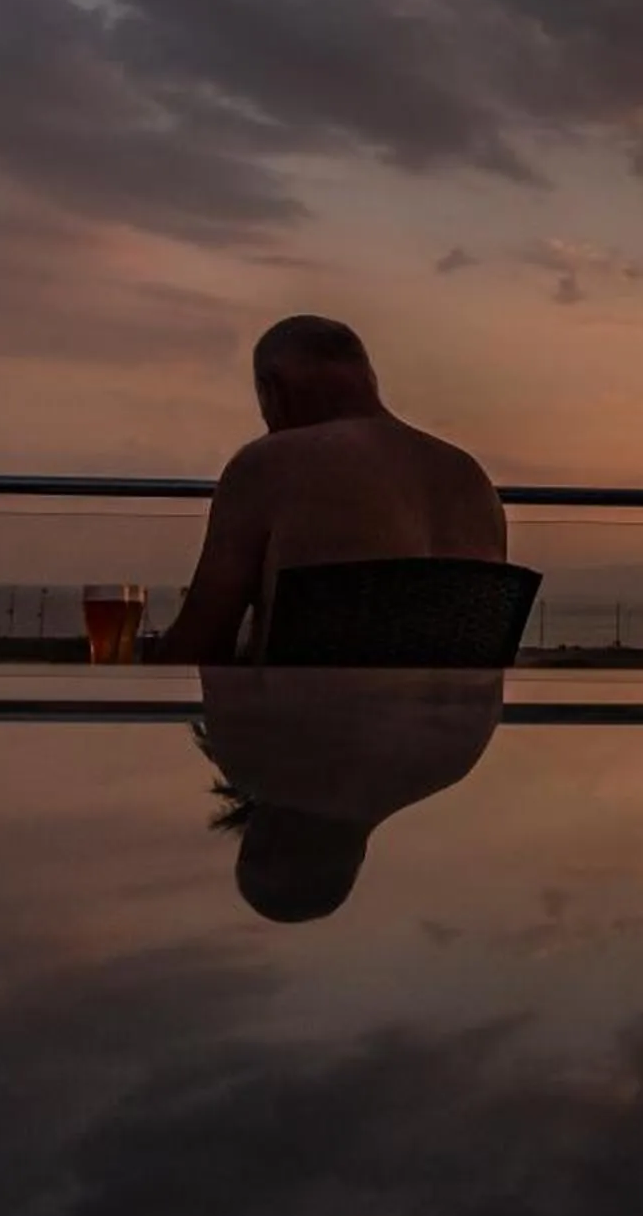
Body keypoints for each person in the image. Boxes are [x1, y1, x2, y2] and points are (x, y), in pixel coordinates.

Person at [160, 316, 507, 664]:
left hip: (309, 717)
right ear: (369, 379)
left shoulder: (269, 465)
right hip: (455, 718)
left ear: (272, 390)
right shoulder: (471, 478)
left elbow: (198, 647)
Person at [194, 665, 504, 921]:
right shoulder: (251, 763)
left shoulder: (455, 757)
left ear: (357, 856)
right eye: (253, 849)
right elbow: (213, 630)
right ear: (265, 839)